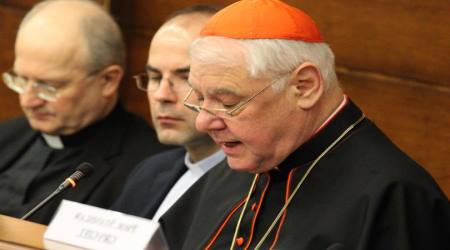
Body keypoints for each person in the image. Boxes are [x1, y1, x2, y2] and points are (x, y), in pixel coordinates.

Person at [159, 0, 450, 249]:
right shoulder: (243, 164)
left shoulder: (396, 197)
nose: (203, 121)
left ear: (304, 86)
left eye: (227, 101)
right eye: (199, 98)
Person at [0, 0, 171, 225]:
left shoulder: (147, 171)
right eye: (21, 80)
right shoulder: (7, 135)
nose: (28, 100)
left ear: (108, 80)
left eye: (49, 87)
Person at [111, 5, 225, 221]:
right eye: (154, 77)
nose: (162, 95)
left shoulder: (255, 188)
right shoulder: (150, 171)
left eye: (185, 78)